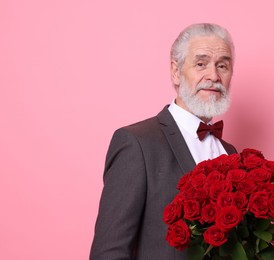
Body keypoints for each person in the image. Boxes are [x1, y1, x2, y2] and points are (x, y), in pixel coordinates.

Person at [90, 23, 237, 260]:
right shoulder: (136, 143)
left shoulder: (231, 153)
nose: (213, 75)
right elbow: (109, 253)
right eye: (201, 64)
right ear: (176, 72)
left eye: (223, 65)